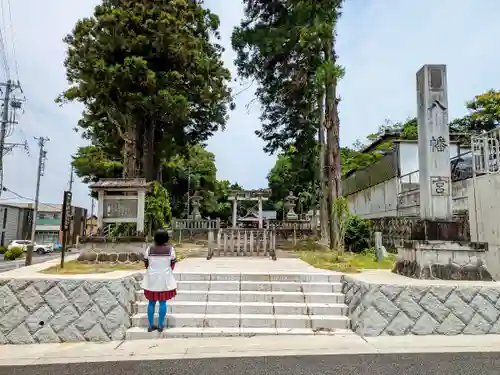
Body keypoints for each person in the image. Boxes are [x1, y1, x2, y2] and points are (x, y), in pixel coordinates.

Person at [142, 229, 177, 332]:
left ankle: (150, 325)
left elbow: (146, 263)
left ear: (155, 238)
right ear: (166, 238)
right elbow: (173, 264)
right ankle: (161, 325)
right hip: (164, 278)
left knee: (151, 302)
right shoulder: (170, 249)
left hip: (151, 279)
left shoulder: (149, 249)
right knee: (163, 302)